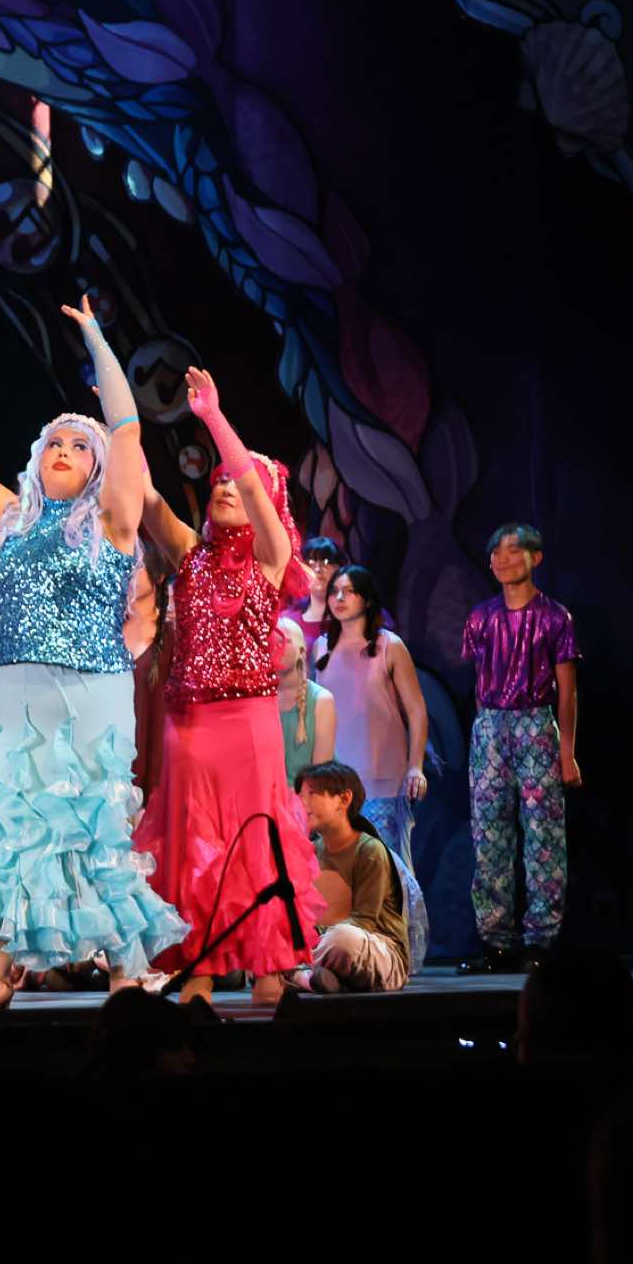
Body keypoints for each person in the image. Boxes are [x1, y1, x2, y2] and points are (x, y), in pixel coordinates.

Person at [0, 295, 185, 1006]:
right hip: (12, 694)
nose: (64, 451)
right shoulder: (5, 520)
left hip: (89, 690)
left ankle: (125, 968)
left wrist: (98, 341)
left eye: (79, 446)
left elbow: (126, 426)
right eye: (55, 441)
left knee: (92, 830)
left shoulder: (113, 520)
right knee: (8, 835)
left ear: (98, 466)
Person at [132, 364, 325, 1007]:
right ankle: (202, 964)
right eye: (215, 483)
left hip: (247, 722)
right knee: (193, 844)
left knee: (255, 838)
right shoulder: (190, 553)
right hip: (187, 725)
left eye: (235, 486)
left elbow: (249, 481)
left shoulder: (272, 558)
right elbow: (147, 499)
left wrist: (213, 417)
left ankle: (269, 964)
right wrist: (121, 426)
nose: (224, 488)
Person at [459, 523, 581, 975]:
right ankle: (496, 941)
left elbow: (567, 691)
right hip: (491, 725)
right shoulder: (481, 617)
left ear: (536, 557)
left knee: (543, 836)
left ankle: (541, 940)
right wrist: (485, 732)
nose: (503, 558)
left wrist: (566, 752)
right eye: (496, 552)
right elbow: (479, 682)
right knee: (489, 835)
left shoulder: (555, 617)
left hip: (536, 724)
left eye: (514, 550)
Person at [312, 565, 429, 874]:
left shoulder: (389, 646)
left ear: (366, 599)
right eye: (335, 591)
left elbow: (417, 710)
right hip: (336, 783)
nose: (339, 598)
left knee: (386, 871)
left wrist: (415, 766)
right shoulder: (320, 647)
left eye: (349, 591)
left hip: (382, 780)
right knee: (340, 872)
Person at [291, 761, 409, 993]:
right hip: (326, 947)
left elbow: (364, 921)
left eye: (312, 794)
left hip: (376, 948)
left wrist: (309, 943)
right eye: (301, 796)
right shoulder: (310, 852)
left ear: (344, 799)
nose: (303, 803)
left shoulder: (369, 851)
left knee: (342, 939)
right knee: (273, 939)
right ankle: (320, 980)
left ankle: (298, 975)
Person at [277, 616, 335, 779]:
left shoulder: (321, 699)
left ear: (301, 651)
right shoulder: (260, 700)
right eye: (270, 642)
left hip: (308, 792)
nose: (275, 647)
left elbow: (320, 773)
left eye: (282, 641)